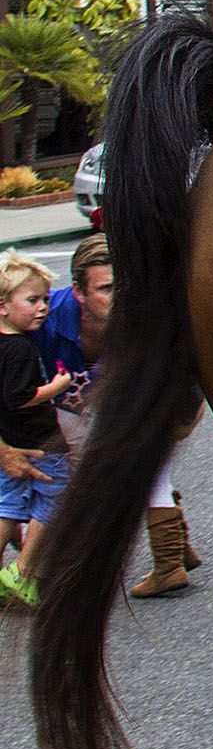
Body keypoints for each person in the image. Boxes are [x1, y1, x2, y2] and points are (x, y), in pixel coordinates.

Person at [34, 233, 202, 597]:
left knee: (143, 456)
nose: (120, 297)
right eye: (107, 289)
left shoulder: (145, 320)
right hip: (67, 403)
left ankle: (169, 562)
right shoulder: (46, 318)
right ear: (78, 291)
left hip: (144, 395)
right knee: (53, 472)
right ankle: (176, 547)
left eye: (124, 286)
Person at [0, 249, 72, 605]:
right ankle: (22, 571)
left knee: (7, 507)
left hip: (9, 443)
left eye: (45, 299)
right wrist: (55, 388)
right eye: (32, 300)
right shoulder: (20, 349)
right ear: (3, 306)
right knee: (56, 499)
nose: (43, 307)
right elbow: (19, 396)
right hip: (39, 442)